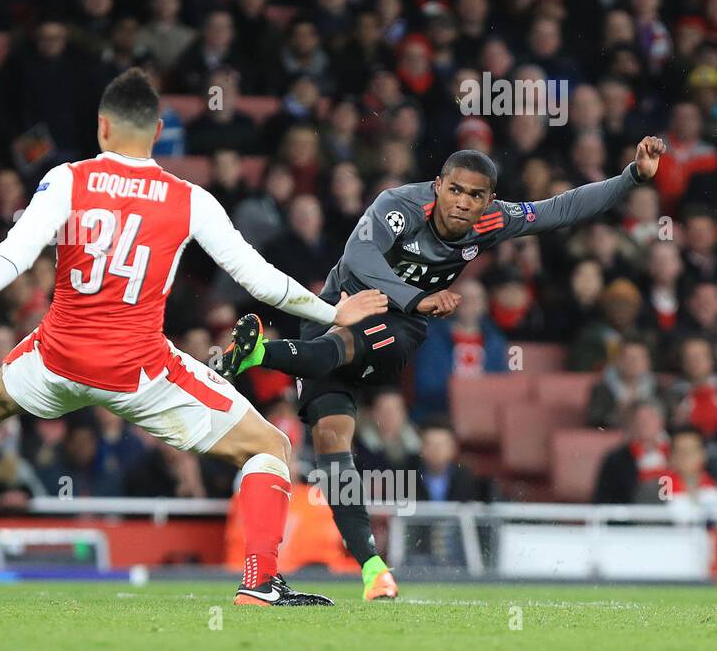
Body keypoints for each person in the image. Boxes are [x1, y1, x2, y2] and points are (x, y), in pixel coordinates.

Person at [0, 69, 387, 607]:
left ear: (102, 126)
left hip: (58, 359)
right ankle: (260, 581)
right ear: (158, 130)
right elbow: (258, 279)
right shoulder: (188, 198)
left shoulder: (68, 179)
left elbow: (18, 246)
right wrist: (333, 310)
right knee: (271, 446)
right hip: (138, 373)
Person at [219, 137, 667, 600]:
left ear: (489, 200)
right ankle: (374, 570)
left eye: (476, 195)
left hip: (398, 326)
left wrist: (631, 176)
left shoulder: (495, 220)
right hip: (336, 309)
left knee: (365, 348)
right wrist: (420, 296)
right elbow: (360, 257)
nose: (464, 202)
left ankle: (259, 355)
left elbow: (562, 208)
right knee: (333, 444)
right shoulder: (397, 206)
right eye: (455, 190)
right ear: (438, 186)